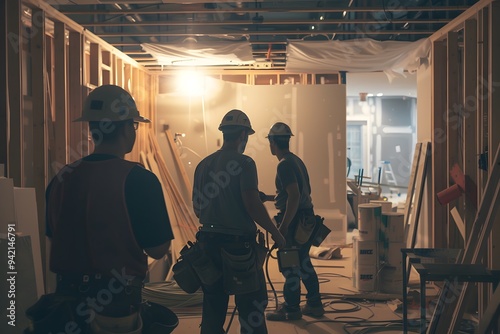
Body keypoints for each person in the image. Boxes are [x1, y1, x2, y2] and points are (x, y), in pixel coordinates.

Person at [42, 85, 175, 333]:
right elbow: (158, 250)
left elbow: (53, 235)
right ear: (127, 128)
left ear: (92, 128)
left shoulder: (61, 178)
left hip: (65, 304)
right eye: (134, 126)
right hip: (115, 306)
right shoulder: (140, 180)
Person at [192, 109, 286, 334]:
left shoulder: (203, 165)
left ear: (224, 133)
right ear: (244, 135)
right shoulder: (245, 163)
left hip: (207, 245)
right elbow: (252, 205)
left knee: (213, 310)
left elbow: (197, 208)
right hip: (238, 249)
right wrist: (276, 233)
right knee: (251, 308)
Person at [263, 122, 325, 321]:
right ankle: (315, 304)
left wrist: (282, 228)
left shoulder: (284, 165)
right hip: (306, 218)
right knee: (304, 261)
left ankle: (291, 309)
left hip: (296, 220)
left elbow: (295, 196)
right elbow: (294, 194)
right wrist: (270, 198)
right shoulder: (295, 160)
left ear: (273, 142)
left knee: (290, 265)